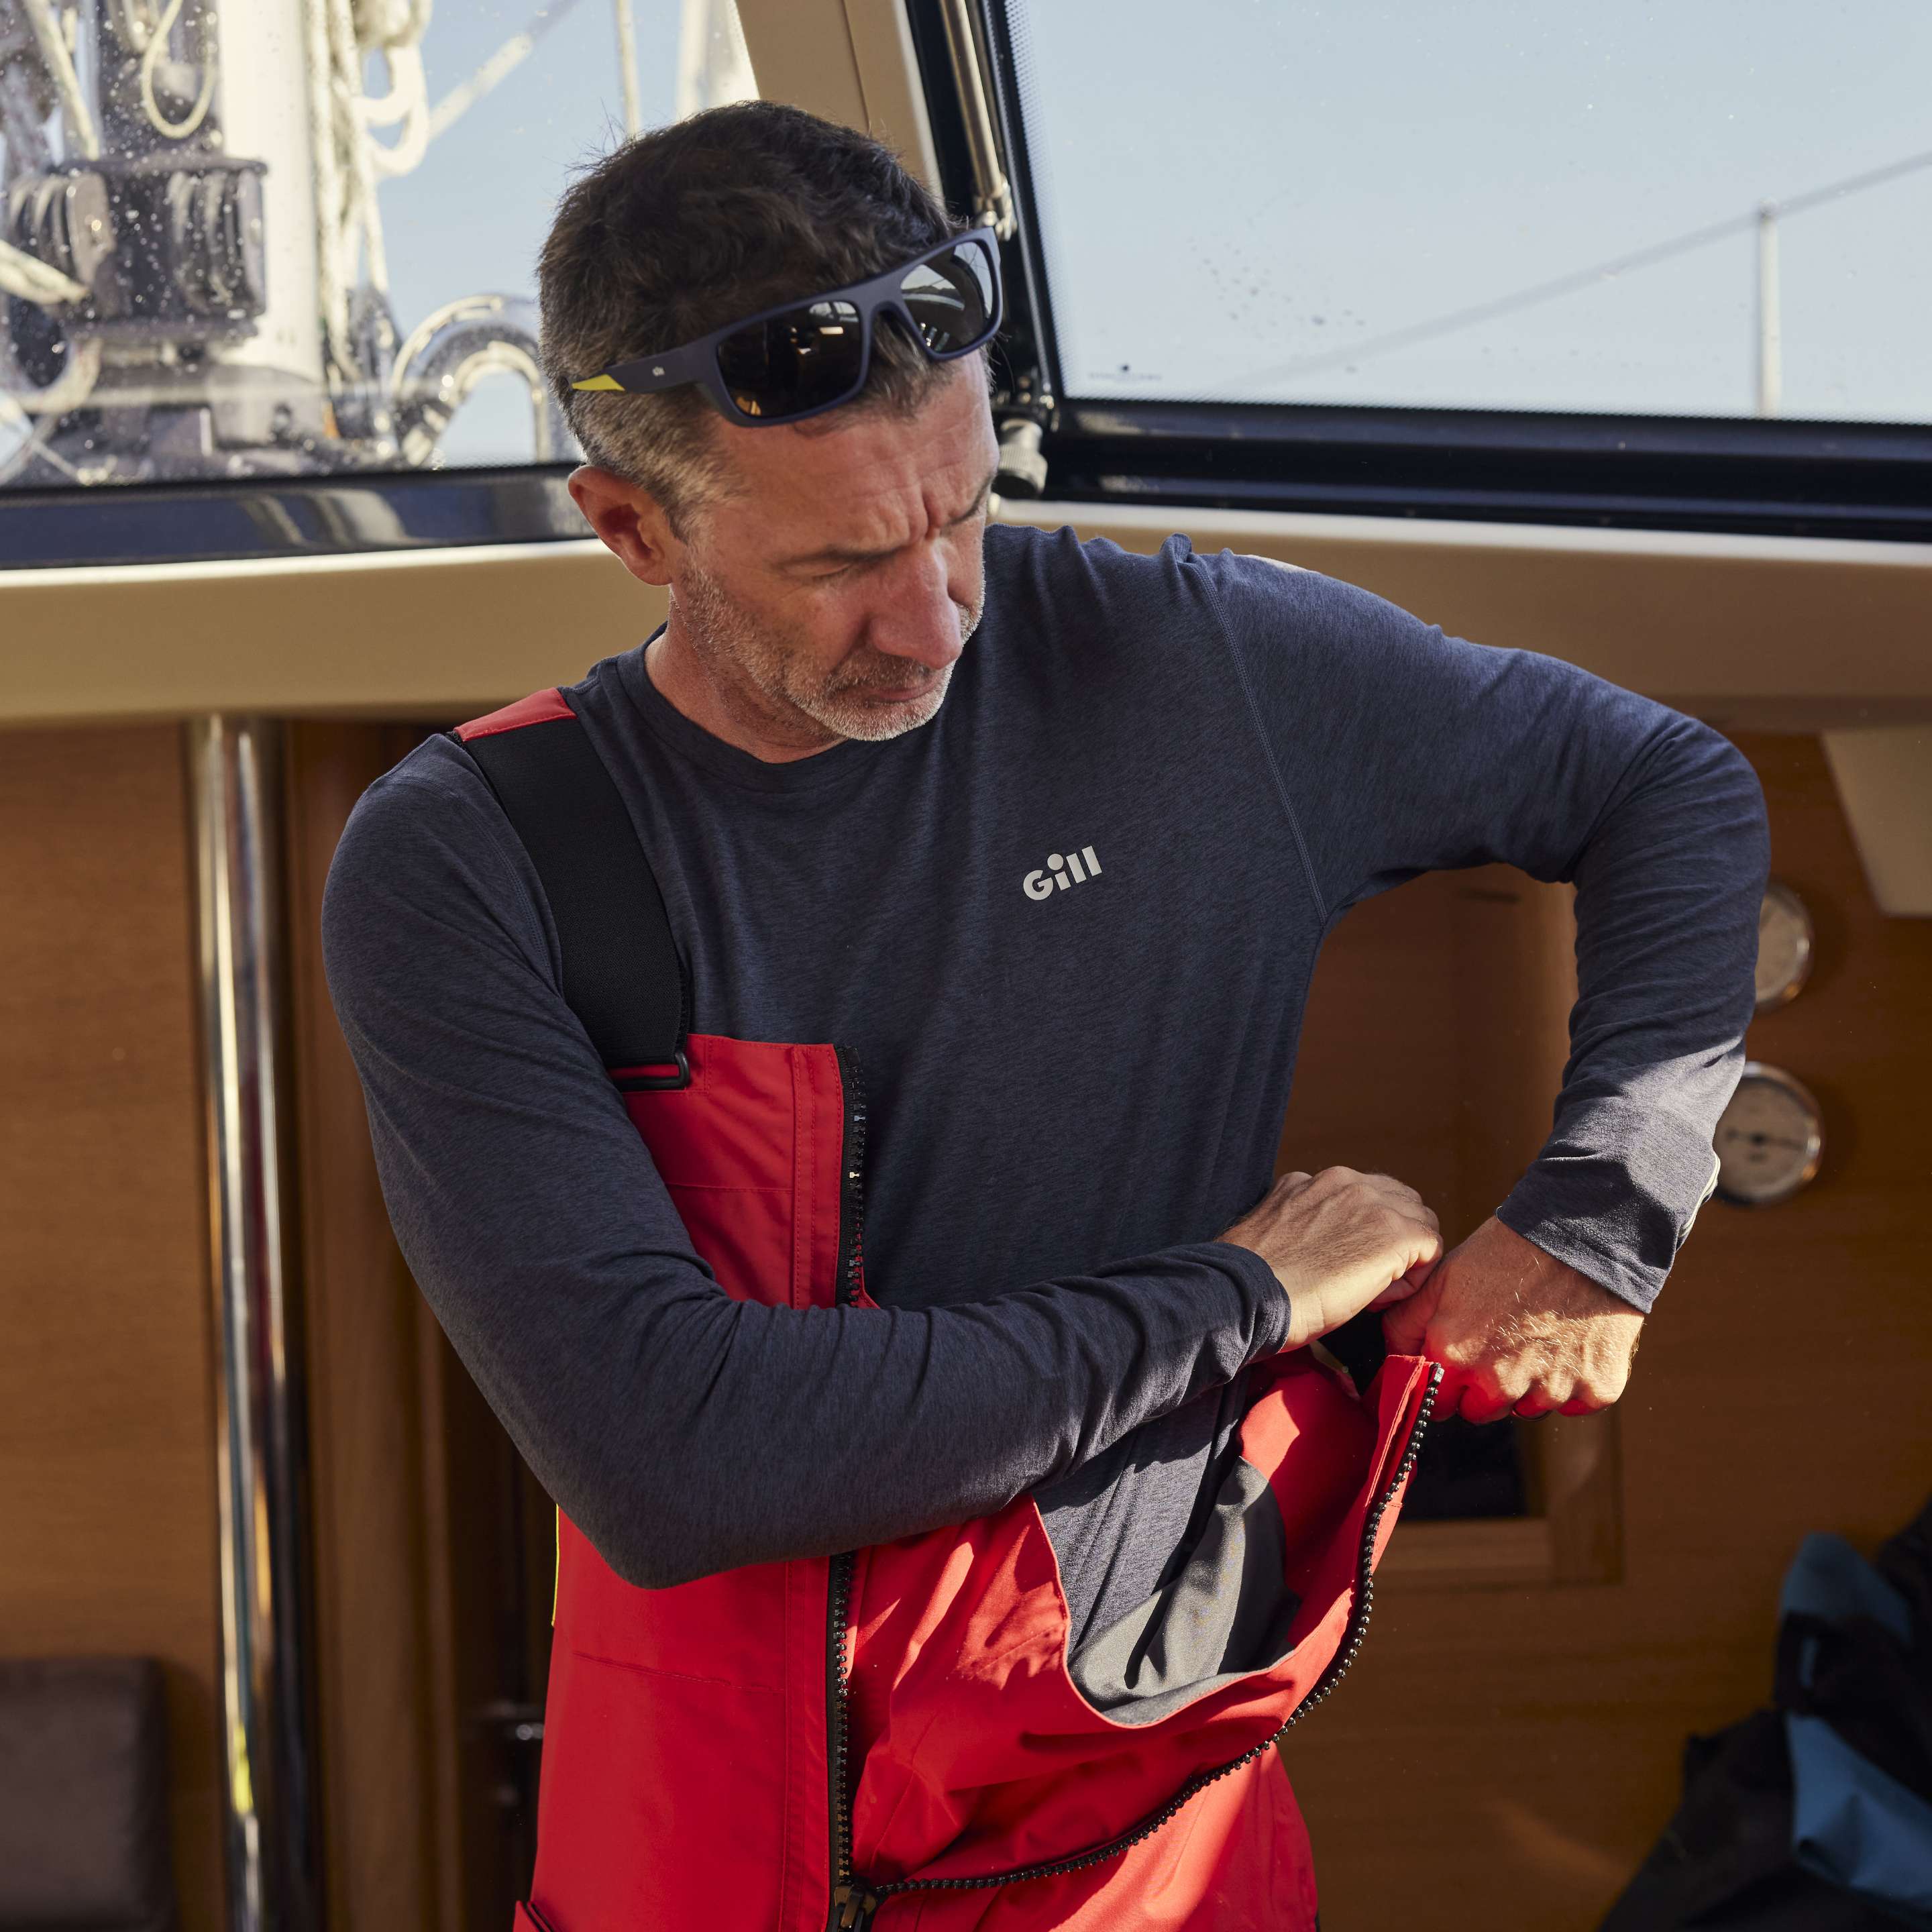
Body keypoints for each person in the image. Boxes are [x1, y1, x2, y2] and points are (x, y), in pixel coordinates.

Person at [321, 101, 1768, 1932]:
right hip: (708, 1851)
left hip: (1141, 1825)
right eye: (841, 566)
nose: (936, 621)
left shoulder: (1196, 674)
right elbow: (678, 1453)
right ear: (630, 527)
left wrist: (1601, 1215)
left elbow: (1670, 786)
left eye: (962, 517)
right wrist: (1245, 1297)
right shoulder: (474, 858)